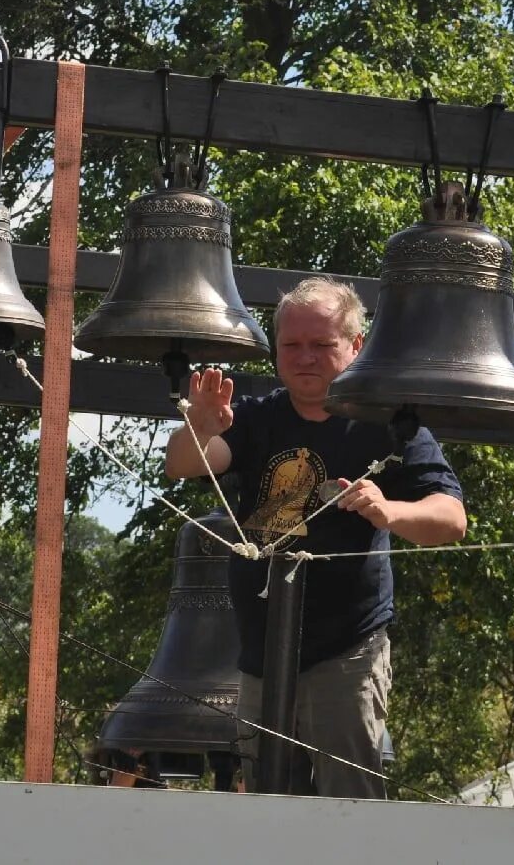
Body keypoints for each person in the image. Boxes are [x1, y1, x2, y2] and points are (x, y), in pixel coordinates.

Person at [164, 276, 466, 799]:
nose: (305, 357)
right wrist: (202, 426)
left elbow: (451, 518)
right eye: (291, 345)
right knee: (265, 816)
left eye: (322, 345)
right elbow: (184, 464)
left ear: (356, 346)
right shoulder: (254, 416)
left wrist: (387, 509)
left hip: (345, 654)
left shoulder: (390, 425)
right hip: (261, 658)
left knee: (348, 813)